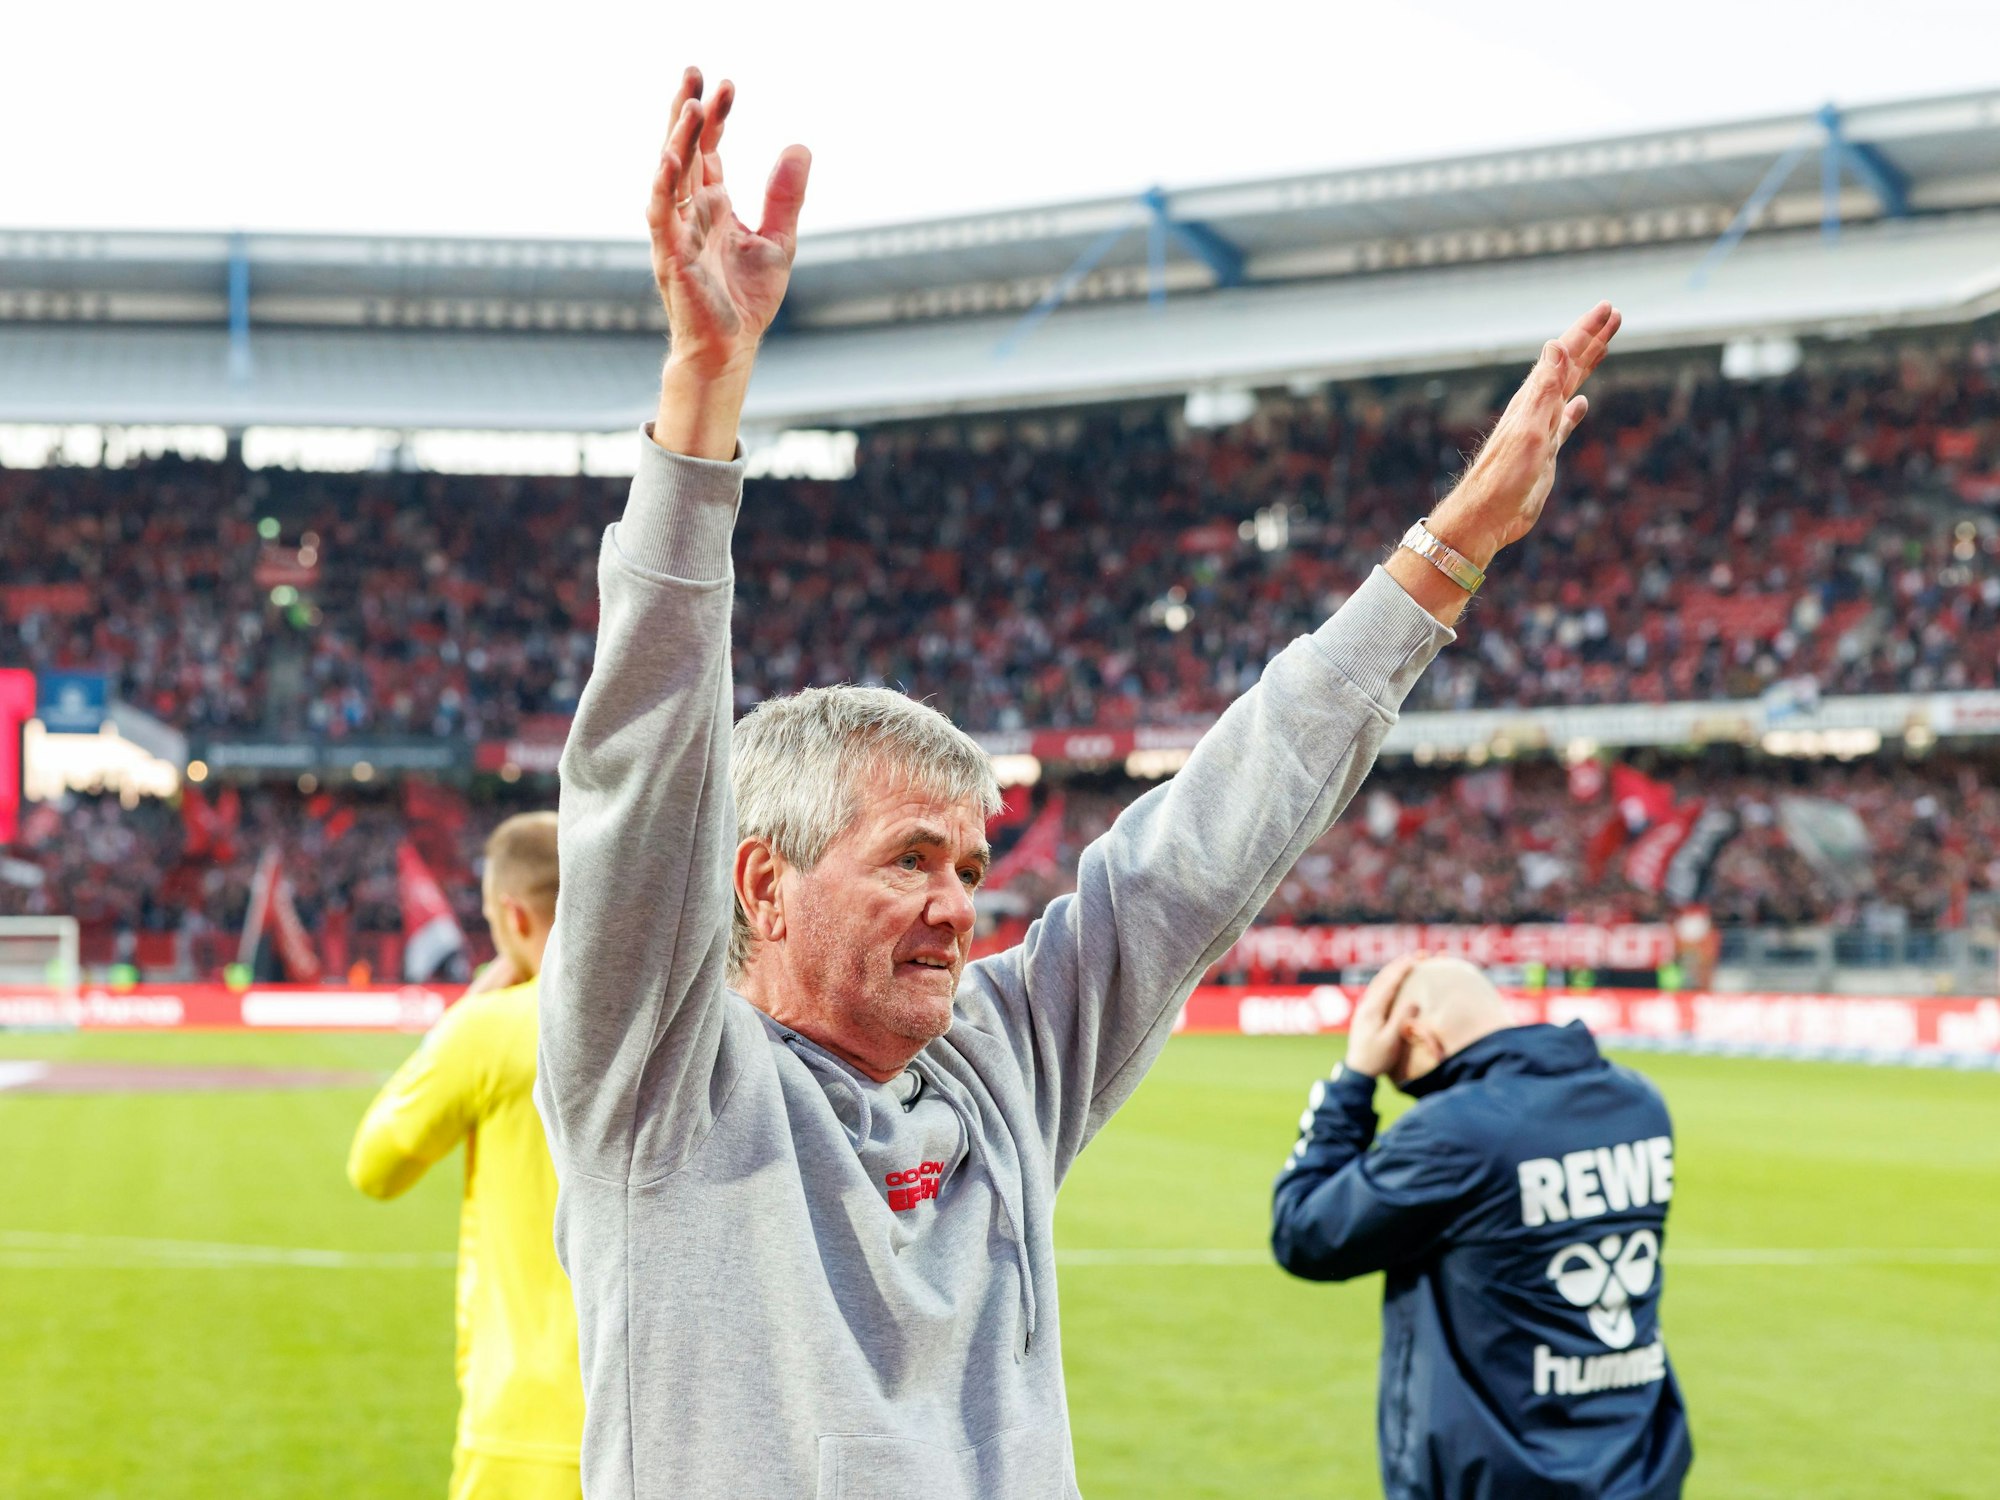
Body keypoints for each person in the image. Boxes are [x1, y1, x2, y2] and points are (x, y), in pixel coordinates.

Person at [535, 65, 1620, 1499]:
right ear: (763, 882)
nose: (956, 907)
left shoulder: (1000, 1060)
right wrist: (703, 393)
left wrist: (1449, 553)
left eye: (970, 869)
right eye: (909, 859)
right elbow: (641, 769)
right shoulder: (661, 1085)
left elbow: (1203, 847)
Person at [1270, 954, 1692, 1499]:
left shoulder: (1456, 1130)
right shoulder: (1639, 1103)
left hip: (1499, 1480)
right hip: (1637, 1470)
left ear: (1415, 1031)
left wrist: (1355, 1078)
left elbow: (1304, 1233)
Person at [349, 812, 582, 1500]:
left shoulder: (488, 1030)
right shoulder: (687, 1018)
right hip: (675, 1422)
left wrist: (459, 1020)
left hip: (528, 1420)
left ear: (513, 916)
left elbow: (374, 1167)